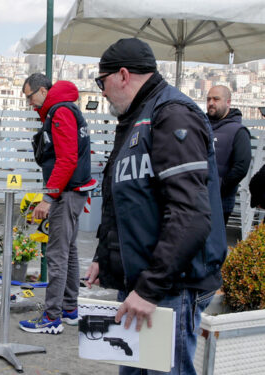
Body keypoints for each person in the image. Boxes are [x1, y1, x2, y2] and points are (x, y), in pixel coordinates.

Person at [84, 38, 227, 375]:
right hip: (143, 284)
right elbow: (131, 200)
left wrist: (149, 289)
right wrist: (105, 256)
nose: (101, 92)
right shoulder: (137, 118)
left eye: (100, 82)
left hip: (167, 289)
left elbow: (189, 215)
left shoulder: (172, 115)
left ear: (121, 75)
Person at [18, 73, 97, 334]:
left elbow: (66, 159)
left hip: (65, 193)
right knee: (69, 251)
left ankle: (52, 318)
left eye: (30, 96)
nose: (30, 103)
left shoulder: (60, 112)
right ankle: (70, 309)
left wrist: (49, 197)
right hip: (73, 191)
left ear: (42, 91)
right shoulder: (65, 108)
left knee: (56, 254)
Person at [206, 85, 251, 225]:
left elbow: (241, 167)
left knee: (213, 245)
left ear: (228, 102)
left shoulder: (239, 131)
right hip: (195, 198)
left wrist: (219, 186)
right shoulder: (200, 125)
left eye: (216, 99)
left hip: (220, 202)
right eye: (208, 99)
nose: (211, 103)